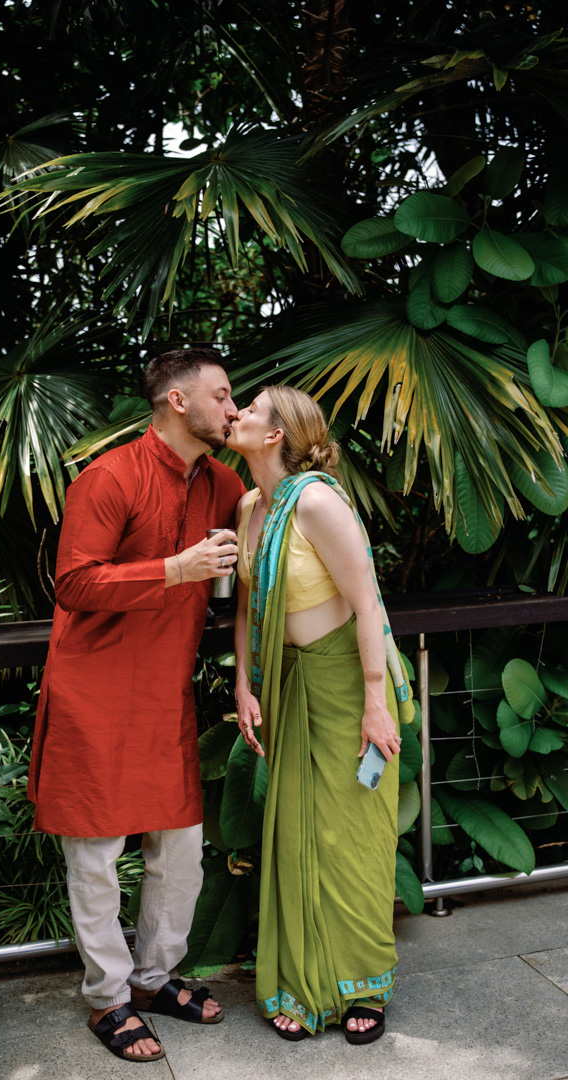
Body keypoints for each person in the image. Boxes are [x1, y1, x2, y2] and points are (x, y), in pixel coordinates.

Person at [27, 347, 245, 1063]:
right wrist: (175, 569)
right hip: (92, 687)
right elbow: (74, 584)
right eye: (221, 395)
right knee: (95, 853)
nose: (232, 408)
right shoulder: (109, 476)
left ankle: (154, 980)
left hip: (164, 689)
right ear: (178, 401)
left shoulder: (223, 482)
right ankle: (107, 998)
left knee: (180, 848)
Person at [227, 385, 413, 1045]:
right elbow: (246, 606)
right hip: (285, 686)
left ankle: (363, 987)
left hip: (347, 686)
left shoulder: (316, 502)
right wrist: (244, 686)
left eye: (251, 409)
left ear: (276, 434)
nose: (237, 413)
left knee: (351, 837)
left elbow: (367, 604)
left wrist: (374, 703)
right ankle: (303, 987)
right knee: (294, 833)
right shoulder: (249, 506)